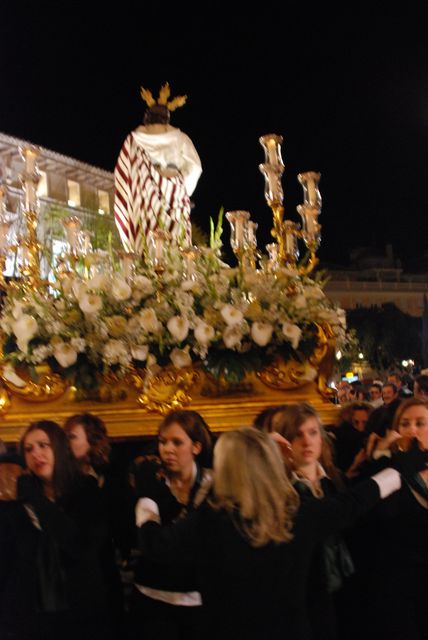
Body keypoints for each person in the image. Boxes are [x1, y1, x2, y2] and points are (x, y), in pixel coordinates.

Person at [136, 427, 424, 640]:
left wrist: (148, 499)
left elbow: (156, 546)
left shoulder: (210, 519)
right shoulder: (301, 513)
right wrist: (401, 467)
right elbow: (357, 500)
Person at [0, 420, 121, 640]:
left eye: (43, 445)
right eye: (29, 449)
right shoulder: (17, 504)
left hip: (80, 613)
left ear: (59, 448)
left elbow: (79, 546)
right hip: (30, 618)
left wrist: (36, 499)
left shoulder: (87, 492)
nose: (36, 453)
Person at [129, 409, 213, 640]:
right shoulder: (151, 482)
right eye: (163, 442)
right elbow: (148, 543)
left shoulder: (212, 485)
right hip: (152, 595)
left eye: (177, 442)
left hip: (197, 597)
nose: (167, 449)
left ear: (196, 447)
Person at [274, 403, 354, 640]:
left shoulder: (334, 480)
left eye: (312, 432)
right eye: (297, 435)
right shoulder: (281, 488)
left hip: (340, 586)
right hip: (304, 591)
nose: (306, 442)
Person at [359, 397, 428, 640]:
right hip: (401, 581)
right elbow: (380, 516)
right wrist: (382, 459)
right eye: (406, 423)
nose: (412, 430)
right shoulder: (388, 468)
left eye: (420, 423)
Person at [114, 82, 202, 254]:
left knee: (146, 245)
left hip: (144, 201)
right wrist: (182, 188)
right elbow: (195, 167)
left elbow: (122, 175)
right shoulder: (181, 139)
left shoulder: (133, 140)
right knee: (176, 247)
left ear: (147, 118)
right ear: (167, 119)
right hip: (175, 198)